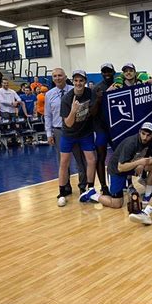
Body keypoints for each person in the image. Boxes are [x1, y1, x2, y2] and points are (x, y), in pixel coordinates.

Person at [90, 123, 152, 209]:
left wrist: (144, 163)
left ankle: (147, 195)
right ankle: (92, 195)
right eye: (143, 134)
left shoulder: (151, 142)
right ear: (139, 132)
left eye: (148, 135)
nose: (145, 137)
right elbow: (121, 167)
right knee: (117, 204)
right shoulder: (131, 143)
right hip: (116, 171)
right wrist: (139, 162)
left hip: (131, 167)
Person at [56, 70, 97, 207]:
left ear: (85, 81)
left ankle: (90, 188)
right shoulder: (67, 99)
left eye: (81, 80)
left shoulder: (89, 93)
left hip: (85, 133)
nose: (78, 83)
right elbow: (67, 123)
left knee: (91, 160)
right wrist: (73, 110)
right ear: (73, 82)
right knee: (64, 162)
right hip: (69, 134)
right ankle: (62, 193)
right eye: (76, 81)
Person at [45, 68, 87, 198]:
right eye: (55, 76)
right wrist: (48, 133)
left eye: (60, 75)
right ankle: (66, 187)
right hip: (59, 130)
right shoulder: (49, 94)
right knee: (63, 161)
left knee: (80, 160)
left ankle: (83, 187)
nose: (58, 78)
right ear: (52, 79)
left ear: (65, 76)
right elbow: (47, 115)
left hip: (76, 130)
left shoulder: (75, 90)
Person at [91, 63, 116, 195]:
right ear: (101, 73)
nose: (107, 74)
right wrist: (99, 99)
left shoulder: (119, 86)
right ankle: (103, 186)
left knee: (120, 155)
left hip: (116, 128)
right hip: (101, 128)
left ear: (113, 72)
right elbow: (92, 112)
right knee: (101, 157)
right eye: (104, 71)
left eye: (109, 71)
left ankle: (121, 183)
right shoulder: (96, 88)